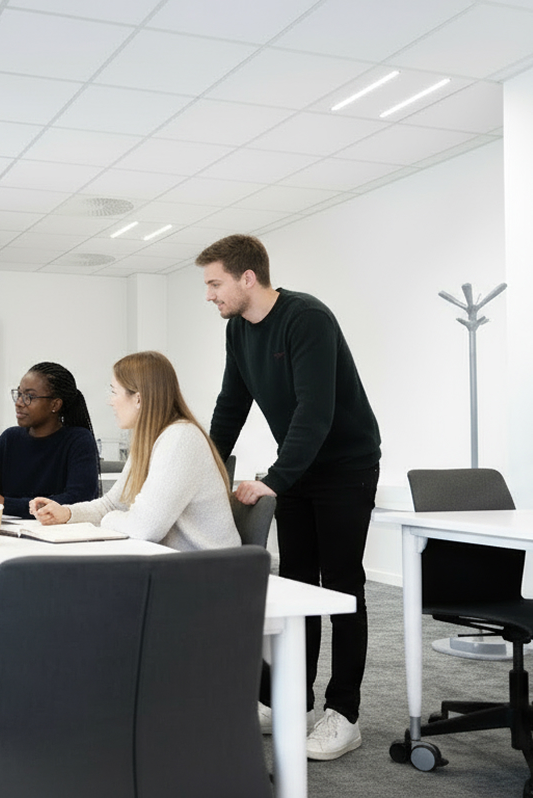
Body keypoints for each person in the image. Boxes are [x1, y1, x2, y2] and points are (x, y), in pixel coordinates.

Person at [197, 233, 381, 761]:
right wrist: (207, 467)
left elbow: (315, 411)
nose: (210, 295)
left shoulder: (307, 319)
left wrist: (275, 479)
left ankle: (344, 713)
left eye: (215, 283)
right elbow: (231, 405)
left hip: (346, 465)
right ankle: (291, 700)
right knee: (299, 586)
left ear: (246, 277)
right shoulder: (239, 330)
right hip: (299, 470)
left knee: (343, 584)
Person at [30, 351, 239, 552]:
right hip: (176, 563)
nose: (110, 401)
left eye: (114, 391)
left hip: (210, 570)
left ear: (138, 399)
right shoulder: (151, 439)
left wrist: (109, 519)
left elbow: (145, 528)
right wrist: (66, 513)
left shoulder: (180, 438)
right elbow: (113, 504)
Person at [0, 362, 99, 520]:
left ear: (55, 404)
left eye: (29, 397)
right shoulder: (9, 438)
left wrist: (6, 504)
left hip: (56, 537)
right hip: (13, 536)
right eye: (19, 394)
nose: (19, 403)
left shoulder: (78, 440)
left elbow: (78, 501)